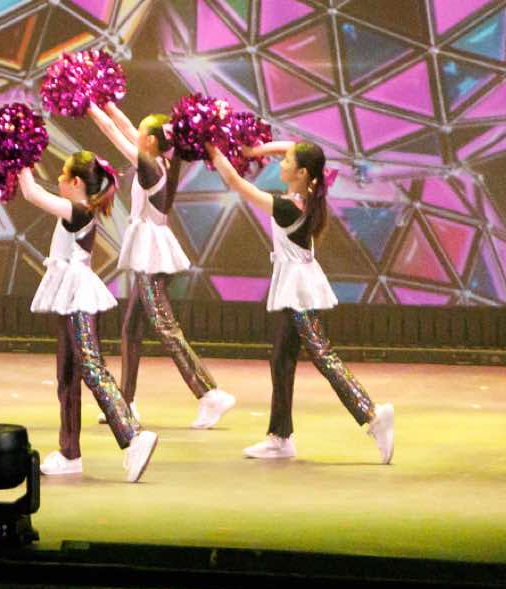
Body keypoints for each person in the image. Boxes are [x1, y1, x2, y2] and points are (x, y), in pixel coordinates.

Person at [208, 138, 393, 464]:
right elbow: (294, 145)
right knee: (281, 357)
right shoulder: (305, 198)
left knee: (321, 354)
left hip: (298, 289)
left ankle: (372, 415)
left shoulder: (288, 207)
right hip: (298, 282)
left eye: (286, 161)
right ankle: (280, 438)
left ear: (302, 172)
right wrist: (254, 152)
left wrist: (212, 149)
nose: (280, 163)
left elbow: (235, 182)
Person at [86, 102, 234, 428]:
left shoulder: (151, 166)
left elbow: (113, 131)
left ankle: (210, 393)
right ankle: (127, 402)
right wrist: (106, 102)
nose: (136, 134)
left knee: (164, 326)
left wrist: (88, 104)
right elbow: (125, 127)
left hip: (151, 252)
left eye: (142, 132)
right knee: (131, 327)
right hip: (151, 247)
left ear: (151, 140)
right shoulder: (163, 162)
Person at [17, 153, 158, 482]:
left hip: (78, 296)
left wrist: (17, 156)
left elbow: (32, 193)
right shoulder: (78, 210)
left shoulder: (77, 211)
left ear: (76, 182)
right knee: (67, 374)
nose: (59, 180)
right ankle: (70, 453)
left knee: (92, 368)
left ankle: (133, 436)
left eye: (63, 175)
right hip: (69, 295)